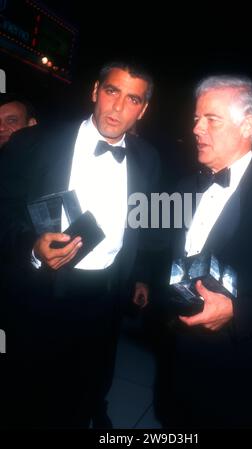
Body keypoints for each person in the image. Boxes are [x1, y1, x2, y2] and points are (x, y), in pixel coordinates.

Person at [0, 61, 160, 428]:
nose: (118, 108)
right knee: (25, 392)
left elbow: (144, 225)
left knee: (83, 389)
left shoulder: (148, 159)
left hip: (105, 295)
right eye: (112, 91)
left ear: (143, 109)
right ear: (95, 91)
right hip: (40, 290)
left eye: (132, 99)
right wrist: (30, 244)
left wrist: (140, 276)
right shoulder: (34, 142)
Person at [155, 75, 252, 428]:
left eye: (210, 119)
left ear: (247, 125)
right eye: (195, 118)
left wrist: (237, 310)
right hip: (177, 363)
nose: (196, 129)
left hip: (237, 374)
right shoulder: (185, 186)